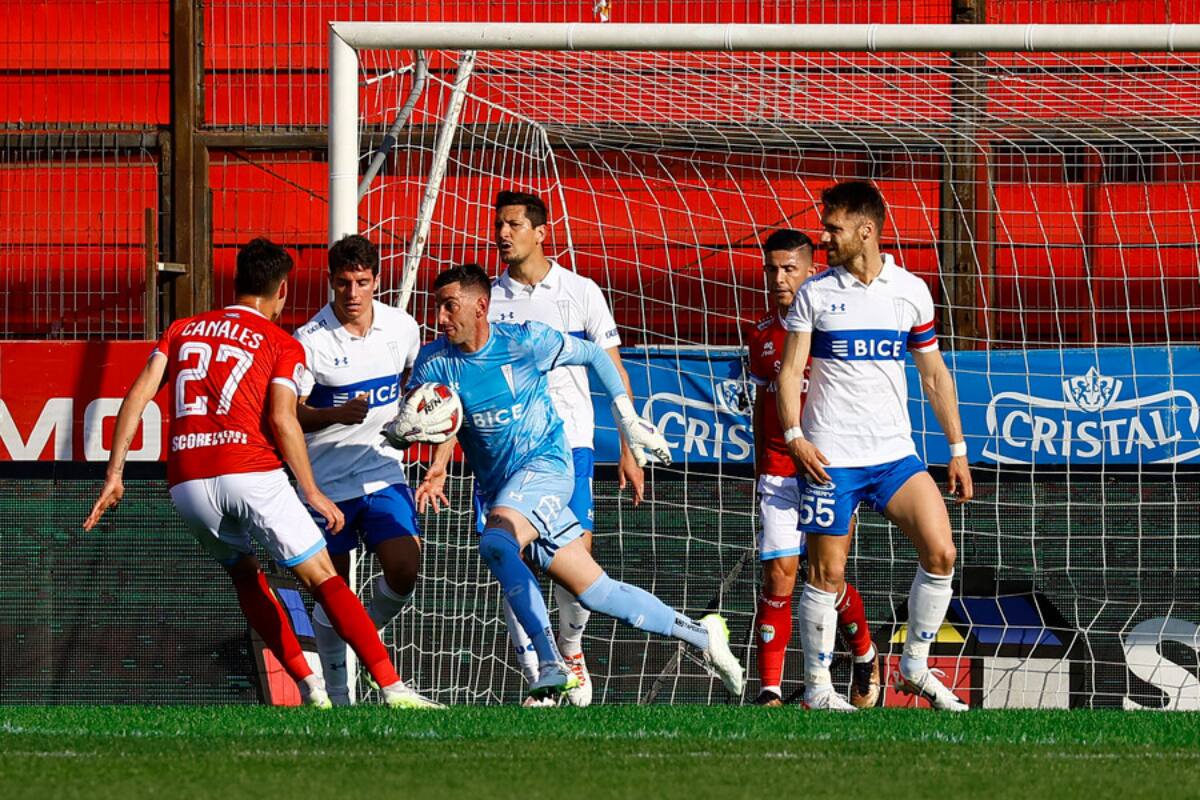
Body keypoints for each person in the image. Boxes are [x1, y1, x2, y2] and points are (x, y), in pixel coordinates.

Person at [83, 237, 430, 710]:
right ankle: (392, 687)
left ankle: (310, 686)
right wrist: (312, 492)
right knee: (323, 577)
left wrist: (114, 474)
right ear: (283, 289)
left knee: (245, 576)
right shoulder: (284, 342)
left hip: (187, 481)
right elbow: (284, 419)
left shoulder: (183, 329)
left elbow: (139, 393)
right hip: (249, 470)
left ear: (235, 283)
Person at [395, 263, 744, 701]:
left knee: (497, 543)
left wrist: (628, 420)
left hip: (548, 467)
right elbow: (426, 421)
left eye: (449, 307)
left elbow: (597, 354)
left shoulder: (524, 341)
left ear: (481, 306)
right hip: (503, 486)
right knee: (597, 591)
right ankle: (701, 634)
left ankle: (549, 664)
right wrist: (400, 432)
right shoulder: (434, 362)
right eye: (437, 308)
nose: (441, 319)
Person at [776, 182, 974, 712]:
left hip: (893, 456)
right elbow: (791, 372)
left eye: (833, 228)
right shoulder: (815, 293)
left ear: (866, 229)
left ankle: (914, 668)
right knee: (826, 575)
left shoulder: (910, 291)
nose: (824, 236)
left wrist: (957, 448)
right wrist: (796, 440)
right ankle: (819, 688)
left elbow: (933, 375)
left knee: (941, 551)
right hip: (831, 460)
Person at [483, 190, 642, 706]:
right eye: (499, 224)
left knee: (576, 561)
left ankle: (571, 651)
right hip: (505, 453)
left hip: (569, 444)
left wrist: (628, 443)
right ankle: (539, 671)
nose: (503, 234)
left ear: (540, 231)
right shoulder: (486, 297)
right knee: (515, 557)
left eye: (513, 224)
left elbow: (611, 366)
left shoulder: (581, 291)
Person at [292, 234, 437, 707]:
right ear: (329, 283)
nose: (352, 294)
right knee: (330, 593)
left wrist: (425, 421)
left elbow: (426, 388)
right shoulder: (308, 341)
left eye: (361, 282)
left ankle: (364, 633)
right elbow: (286, 414)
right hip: (325, 485)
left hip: (382, 472)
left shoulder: (402, 327)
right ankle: (338, 695)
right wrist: (332, 413)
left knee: (405, 566)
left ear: (376, 281)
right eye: (342, 284)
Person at [746, 229, 879, 708]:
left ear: (811, 271)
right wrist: (761, 470)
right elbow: (763, 409)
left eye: (790, 269)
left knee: (829, 576)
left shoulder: (833, 323)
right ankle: (770, 690)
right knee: (780, 575)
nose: (779, 279)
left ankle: (863, 650)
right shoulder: (760, 332)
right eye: (772, 269)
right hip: (779, 471)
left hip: (828, 469)